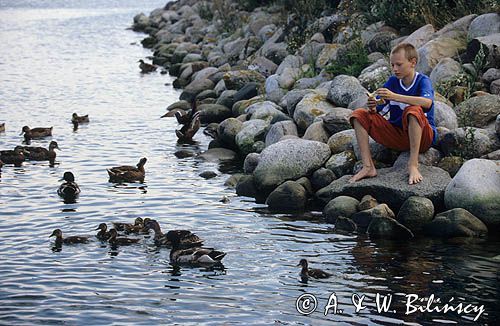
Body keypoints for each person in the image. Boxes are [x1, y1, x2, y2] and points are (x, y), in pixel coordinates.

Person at [349, 42, 437, 185]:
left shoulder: (423, 81)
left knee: (413, 110)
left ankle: (413, 165)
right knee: (359, 115)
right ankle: (368, 167)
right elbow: (377, 110)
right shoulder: (392, 82)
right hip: (399, 136)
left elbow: (427, 103)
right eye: (392, 65)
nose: (395, 69)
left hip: (423, 138)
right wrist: (373, 106)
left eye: (399, 64)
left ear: (412, 63)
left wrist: (394, 96)